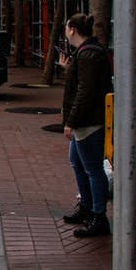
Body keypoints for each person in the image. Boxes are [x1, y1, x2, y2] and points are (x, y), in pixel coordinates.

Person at [57, 13, 113, 238]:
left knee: (92, 169)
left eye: (66, 27)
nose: (65, 31)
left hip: (89, 122)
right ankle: (88, 207)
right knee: (77, 163)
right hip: (85, 120)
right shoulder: (84, 53)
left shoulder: (88, 54)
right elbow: (83, 83)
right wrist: (67, 69)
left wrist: (71, 121)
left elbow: (85, 91)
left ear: (72, 30)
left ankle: (98, 215)